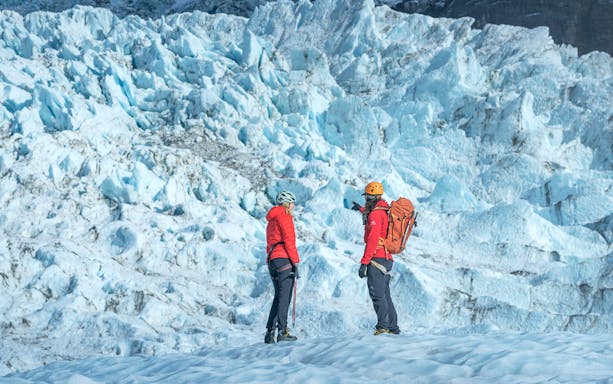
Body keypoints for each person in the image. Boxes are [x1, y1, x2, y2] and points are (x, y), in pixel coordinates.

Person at [352, 181, 400, 335]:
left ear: (373, 197)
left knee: (377, 294)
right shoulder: (383, 210)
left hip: (377, 258)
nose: (366, 199)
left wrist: (364, 263)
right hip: (386, 258)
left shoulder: (375, 214)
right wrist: (361, 210)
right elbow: (374, 215)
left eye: (367, 197)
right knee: (385, 294)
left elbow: (372, 240)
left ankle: (383, 326)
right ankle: (393, 327)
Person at [264, 190, 300, 343]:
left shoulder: (272, 220)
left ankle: (269, 333)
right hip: (284, 259)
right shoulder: (284, 216)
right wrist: (296, 262)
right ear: (287, 203)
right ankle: (282, 332)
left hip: (272, 260)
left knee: (279, 296)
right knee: (285, 297)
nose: (293, 206)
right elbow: (289, 241)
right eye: (293, 203)